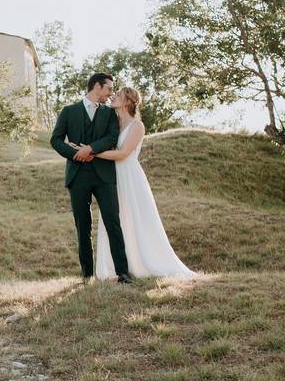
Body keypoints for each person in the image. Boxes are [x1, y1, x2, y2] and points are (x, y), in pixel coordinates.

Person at [89, 87, 197, 280]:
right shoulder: (113, 124)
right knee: (116, 219)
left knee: (136, 219)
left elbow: (123, 154)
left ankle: (144, 263)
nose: (113, 97)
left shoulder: (136, 126)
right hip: (113, 177)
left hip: (129, 176)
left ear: (128, 101)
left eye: (119, 95)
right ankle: (119, 266)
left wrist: (91, 152)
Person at [50, 73, 132, 284]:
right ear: (97, 86)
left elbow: (112, 138)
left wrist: (90, 149)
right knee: (83, 226)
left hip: (104, 175)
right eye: (108, 89)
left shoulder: (109, 114)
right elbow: (56, 140)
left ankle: (122, 273)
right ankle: (87, 275)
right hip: (77, 176)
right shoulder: (69, 111)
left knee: (113, 222)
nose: (110, 94)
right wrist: (75, 155)